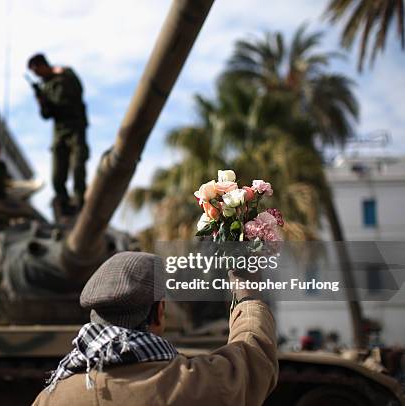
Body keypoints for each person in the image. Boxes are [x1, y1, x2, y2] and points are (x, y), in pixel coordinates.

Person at [33, 252, 278, 406]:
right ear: (159, 312)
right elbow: (252, 360)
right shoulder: (192, 384)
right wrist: (246, 296)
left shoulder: (51, 397)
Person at [27, 53, 89, 214]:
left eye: (37, 71)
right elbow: (47, 115)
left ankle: (79, 199)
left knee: (77, 166)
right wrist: (40, 98)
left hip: (75, 127)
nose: (37, 75)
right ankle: (63, 201)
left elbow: (78, 91)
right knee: (57, 174)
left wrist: (61, 74)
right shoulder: (45, 87)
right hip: (59, 132)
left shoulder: (66, 74)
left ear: (42, 65)